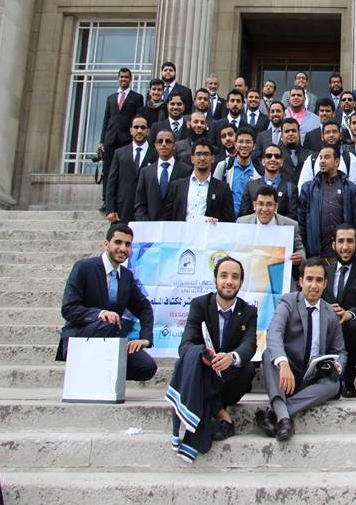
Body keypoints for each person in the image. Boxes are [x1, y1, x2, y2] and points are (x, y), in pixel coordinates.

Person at [55, 223, 156, 382]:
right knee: (109, 323)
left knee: (146, 367)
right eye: (118, 242)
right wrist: (100, 314)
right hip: (81, 335)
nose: (123, 248)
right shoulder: (84, 267)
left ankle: (104, 376)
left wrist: (145, 337)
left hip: (112, 339)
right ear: (106, 244)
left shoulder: (127, 276)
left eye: (128, 244)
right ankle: (90, 375)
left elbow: (144, 308)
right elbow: (69, 309)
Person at [258, 258, 346, 441]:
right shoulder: (288, 302)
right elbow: (274, 333)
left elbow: (341, 351)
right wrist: (283, 364)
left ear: (325, 284)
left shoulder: (331, 313)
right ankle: (284, 419)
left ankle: (276, 413)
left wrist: (338, 365)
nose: (314, 285)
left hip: (311, 378)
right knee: (269, 355)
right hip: (286, 375)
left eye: (319, 280)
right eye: (309, 279)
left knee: (334, 384)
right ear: (301, 281)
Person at [178, 256, 258, 439]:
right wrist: (202, 356)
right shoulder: (199, 304)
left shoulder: (249, 311)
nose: (229, 282)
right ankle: (222, 415)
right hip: (204, 374)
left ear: (241, 282)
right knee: (185, 364)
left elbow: (249, 345)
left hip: (228, 379)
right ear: (215, 280)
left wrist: (231, 357)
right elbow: (185, 344)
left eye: (235, 277)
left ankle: (210, 408)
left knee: (248, 369)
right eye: (224, 276)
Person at [321, 225, 356, 398]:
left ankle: (348, 378)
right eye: (341, 241)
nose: (345, 247)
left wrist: (349, 314)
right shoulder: (325, 273)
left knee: (351, 326)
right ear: (333, 245)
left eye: (350, 241)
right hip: (330, 332)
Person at [297, 146, 356, 258]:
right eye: (321, 158)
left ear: (337, 162)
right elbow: (302, 223)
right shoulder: (307, 189)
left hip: (344, 253)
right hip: (316, 254)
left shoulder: (350, 188)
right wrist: (302, 248)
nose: (322, 161)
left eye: (327, 157)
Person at [237, 185, 305, 278]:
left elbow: (301, 250)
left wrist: (299, 257)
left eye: (269, 204)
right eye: (260, 204)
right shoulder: (242, 223)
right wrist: (215, 226)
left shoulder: (290, 225)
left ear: (276, 207)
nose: (264, 209)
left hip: (278, 277)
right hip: (249, 276)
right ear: (254, 205)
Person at [164, 140, 235, 223]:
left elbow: (229, 222)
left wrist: (216, 223)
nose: (202, 158)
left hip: (209, 231)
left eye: (206, 154)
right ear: (192, 159)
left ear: (212, 158)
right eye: (198, 154)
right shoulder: (176, 186)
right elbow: (166, 218)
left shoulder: (223, 188)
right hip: (181, 231)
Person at [104, 115, 155, 224]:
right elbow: (112, 182)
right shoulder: (119, 153)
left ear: (148, 131)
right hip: (122, 210)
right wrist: (110, 209)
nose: (139, 130)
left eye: (143, 127)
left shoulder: (155, 154)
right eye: (136, 127)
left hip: (147, 211)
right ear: (131, 131)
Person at [134, 129, 192, 221]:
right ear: (155, 145)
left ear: (174, 145)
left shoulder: (186, 170)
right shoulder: (145, 172)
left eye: (168, 141)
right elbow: (140, 203)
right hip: (150, 225)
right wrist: (146, 223)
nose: (164, 144)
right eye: (160, 141)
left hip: (176, 225)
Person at [99, 67, 144, 183]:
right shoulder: (111, 98)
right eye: (122, 77)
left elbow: (139, 119)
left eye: (126, 77)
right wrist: (102, 141)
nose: (124, 79)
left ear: (130, 80)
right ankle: (106, 194)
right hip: (110, 139)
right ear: (118, 78)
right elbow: (106, 120)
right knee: (107, 171)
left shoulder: (137, 97)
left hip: (126, 139)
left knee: (125, 171)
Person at [241, 144, 298, 220]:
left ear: (281, 162)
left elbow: (292, 217)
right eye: (269, 156)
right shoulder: (250, 186)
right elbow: (244, 216)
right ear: (263, 161)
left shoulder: (291, 188)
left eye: (277, 156)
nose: (273, 159)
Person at [213, 127, 261, 216]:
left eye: (248, 142)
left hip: (247, 220)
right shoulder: (223, 166)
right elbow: (214, 193)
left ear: (254, 146)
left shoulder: (259, 172)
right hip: (226, 220)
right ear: (235, 144)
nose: (244, 145)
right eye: (241, 141)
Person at [297, 121, 356, 190]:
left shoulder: (350, 158)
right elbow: (303, 188)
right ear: (322, 136)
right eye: (327, 132)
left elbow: (354, 188)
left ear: (340, 135)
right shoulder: (311, 159)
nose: (331, 135)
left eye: (334, 132)